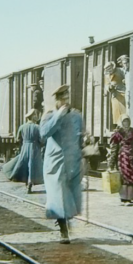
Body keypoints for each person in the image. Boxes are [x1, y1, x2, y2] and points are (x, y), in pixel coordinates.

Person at [40, 84, 85, 244]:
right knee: (58, 197)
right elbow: (44, 133)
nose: (66, 102)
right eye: (62, 99)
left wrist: (85, 149)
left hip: (73, 161)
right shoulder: (49, 115)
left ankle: (66, 222)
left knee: (71, 197)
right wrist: (58, 115)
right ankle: (63, 231)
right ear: (57, 101)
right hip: (56, 162)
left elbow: (81, 136)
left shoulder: (77, 116)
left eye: (68, 98)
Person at [3, 109, 44, 193]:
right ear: (32, 117)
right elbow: (41, 139)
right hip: (34, 147)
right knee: (33, 165)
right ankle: (30, 182)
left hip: (25, 146)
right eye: (35, 115)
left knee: (23, 163)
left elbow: (18, 139)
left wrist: (23, 143)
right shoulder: (37, 127)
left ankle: (26, 182)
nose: (36, 117)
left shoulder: (22, 127)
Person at [109, 114, 133, 206]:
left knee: (132, 176)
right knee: (124, 177)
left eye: (127, 121)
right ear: (121, 123)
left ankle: (131, 198)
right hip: (123, 158)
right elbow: (114, 149)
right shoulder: (118, 133)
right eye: (124, 121)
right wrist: (111, 164)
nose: (126, 123)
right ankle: (124, 198)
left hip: (132, 157)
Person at [104, 61, 127, 127]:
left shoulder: (120, 70)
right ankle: (119, 125)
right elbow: (106, 85)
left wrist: (124, 82)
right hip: (115, 95)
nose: (109, 70)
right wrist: (109, 87)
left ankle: (125, 125)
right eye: (107, 69)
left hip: (123, 93)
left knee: (124, 111)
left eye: (110, 68)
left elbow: (127, 77)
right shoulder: (107, 75)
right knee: (116, 112)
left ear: (112, 67)